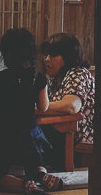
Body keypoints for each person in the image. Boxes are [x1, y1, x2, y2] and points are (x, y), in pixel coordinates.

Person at [0, 28, 57, 195]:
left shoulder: (0, 78)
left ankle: (23, 185)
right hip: (30, 134)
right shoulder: (38, 78)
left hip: (3, 134)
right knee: (35, 164)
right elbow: (43, 107)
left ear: (6, 55)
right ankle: (42, 177)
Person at [41, 33, 95, 169]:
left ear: (68, 56)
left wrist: (37, 107)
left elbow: (71, 106)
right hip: (59, 134)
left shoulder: (78, 73)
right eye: (46, 54)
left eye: (53, 55)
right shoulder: (53, 79)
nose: (47, 59)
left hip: (78, 139)